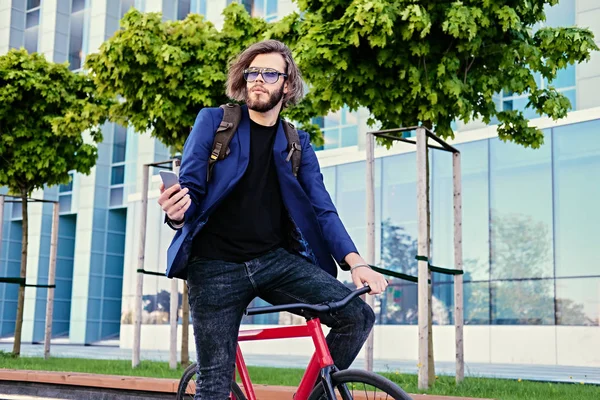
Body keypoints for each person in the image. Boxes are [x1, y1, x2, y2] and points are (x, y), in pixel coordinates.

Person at [158, 39, 388, 399]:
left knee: (357, 316)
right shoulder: (215, 122)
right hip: (214, 266)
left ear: (288, 84)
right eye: (252, 72)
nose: (258, 80)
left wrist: (356, 262)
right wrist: (176, 211)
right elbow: (189, 191)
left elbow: (322, 208)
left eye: (269, 73)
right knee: (215, 384)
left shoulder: (297, 143)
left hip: (274, 262)